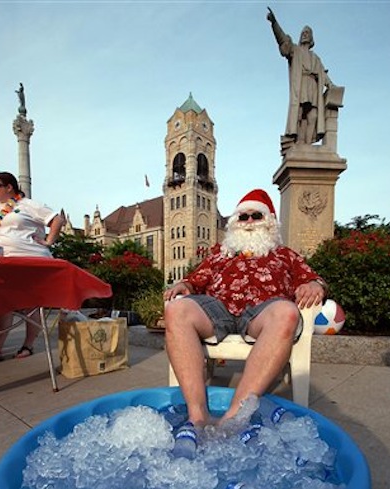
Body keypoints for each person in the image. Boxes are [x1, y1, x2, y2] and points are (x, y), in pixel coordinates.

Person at [164, 188, 327, 432]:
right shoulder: (220, 254)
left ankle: (234, 416)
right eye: (243, 217)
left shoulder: (285, 255)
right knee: (177, 310)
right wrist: (184, 284)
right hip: (217, 308)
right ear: (235, 222)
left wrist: (315, 284)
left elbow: (312, 277)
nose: (249, 222)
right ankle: (197, 415)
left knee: (287, 313)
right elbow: (195, 279)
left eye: (256, 216)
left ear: (270, 222)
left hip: (263, 310)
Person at [0, 171, 65, 365]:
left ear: (9, 187)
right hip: (3, 262)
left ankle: (28, 345)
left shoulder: (26, 204)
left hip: (30, 260)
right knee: (5, 303)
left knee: (30, 303)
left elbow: (57, 219)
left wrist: (49, 241)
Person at [267, 6, 335, 145]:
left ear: (311, 38)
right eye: (303, 32)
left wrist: (331, 85)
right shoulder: (295, 50)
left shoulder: (315, 57)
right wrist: (274, 23)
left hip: (313, 86)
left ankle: (307, 144)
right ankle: (299, 142)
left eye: (307, 33)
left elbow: (323, 74)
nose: (304, 34)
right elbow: (282, 40)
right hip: (301, 84)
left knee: (313, 116)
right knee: (299, 113)